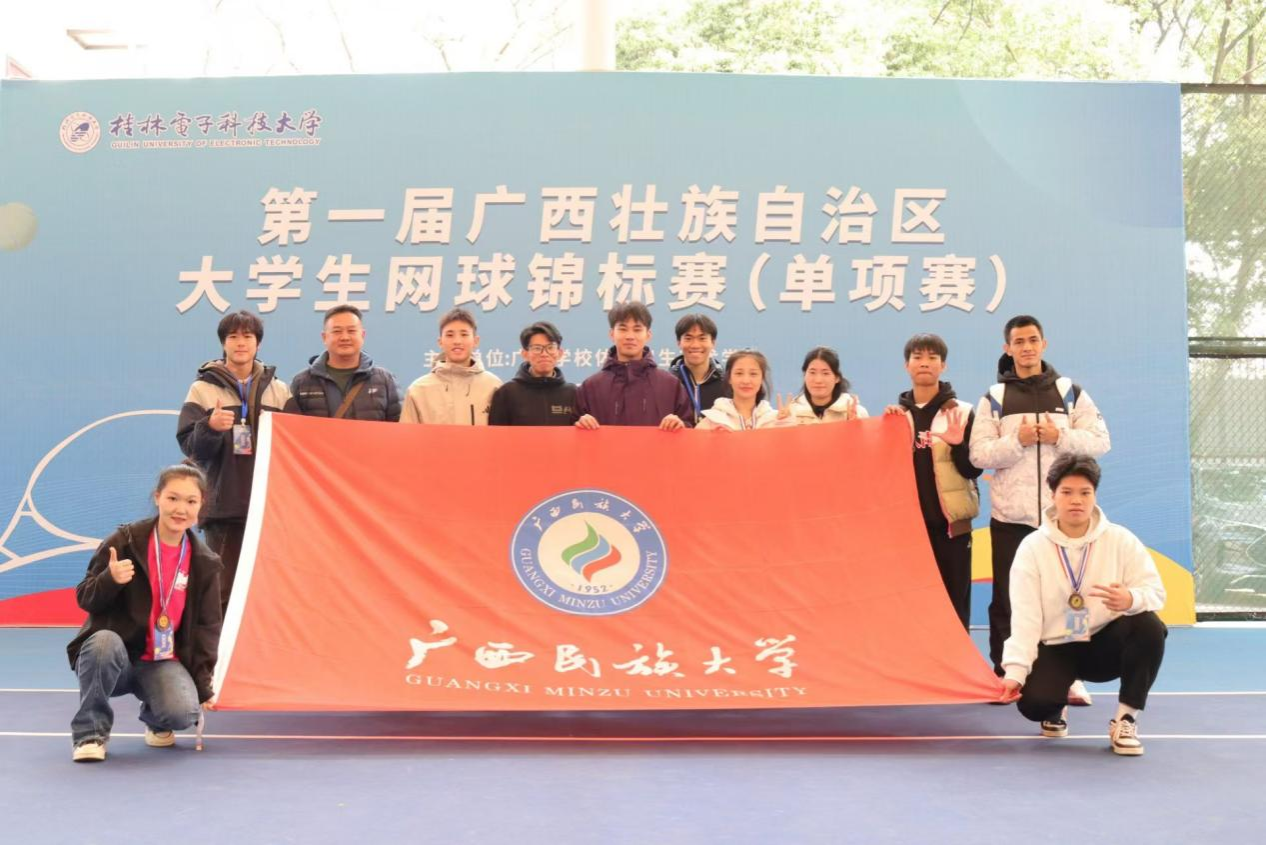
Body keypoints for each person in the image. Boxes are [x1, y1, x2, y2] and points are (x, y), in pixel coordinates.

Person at [970, 315, 1110, 707]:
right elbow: (978, 454)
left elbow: (1100, 442)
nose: (1027, 347)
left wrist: (1058, 436)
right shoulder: (994, 398)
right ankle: (1006, 675)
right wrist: (1016, 440)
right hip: (1010, 518)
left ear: (1043, 344)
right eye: (1019, 341)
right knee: (1007, 599)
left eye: (1033, 340)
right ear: (1007, 348)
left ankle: (1071, 676)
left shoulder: (1070, 393)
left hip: (1063, 521)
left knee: (1069, 596)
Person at [999, 456, 1166, 756]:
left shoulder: (1121, 539)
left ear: (1095, 496)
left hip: (1103, 646)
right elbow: (1025, 618)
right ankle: (1056, 702)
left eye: (1085, 492)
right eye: (1067, 492)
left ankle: (1125, 719)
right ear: (1053, 496)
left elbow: (1155, 593)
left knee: (1149, 626)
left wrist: (1131, 599)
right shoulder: (1032, 547)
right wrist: (1015, 672)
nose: (1076, 500)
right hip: (1055, 646)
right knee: (1034, 705)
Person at [66, 464, 223, 763]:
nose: (181, 509)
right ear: (157, 497)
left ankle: (156, 717)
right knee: (103, 642)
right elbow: (85, 597)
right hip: (116, 657)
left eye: (191, 501)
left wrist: (203, 685)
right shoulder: (124, 541)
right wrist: (110, 580)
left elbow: (208, 627)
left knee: (182, 713)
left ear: (201, 504)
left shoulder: (206, 562)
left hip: (161, 661)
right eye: (173, 498)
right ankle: (90, 734)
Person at [176, 310, 290, 615]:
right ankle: (216, 647)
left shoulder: (279, 390)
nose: (241, 343)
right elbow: (191, 447)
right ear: (223, 343)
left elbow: (294, 447)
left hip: (269, 507)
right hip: (223, 506)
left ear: (258, 343)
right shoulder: (202, 389)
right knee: (220, 590)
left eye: (248, 336)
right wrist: (210, 427)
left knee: (267, 590)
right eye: (233, 336)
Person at [883, 333, 982, 629]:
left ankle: (958, 660)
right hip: (910, 531)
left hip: (952, 529)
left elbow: (972, 470)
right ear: (907, 365)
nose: (924, 363)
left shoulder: (961, 412)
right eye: (917, 357)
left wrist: (957, 445)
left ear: (943, 365)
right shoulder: (895, 417)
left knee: (955, 605)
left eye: (932, 357)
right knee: (913, 607)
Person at [574, 302, 693, 430]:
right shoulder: (590, 387)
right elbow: (572, 431)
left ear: (648, 335)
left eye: (637, 330)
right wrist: (580, 424)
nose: (630, 336)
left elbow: (689, 428)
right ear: (612, 334)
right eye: (623, 329)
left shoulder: (671, 385)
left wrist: (680, 425)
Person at [284, 304, 402, 421]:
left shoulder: (385, 380)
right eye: (337, 331)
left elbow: (398, 426)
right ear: (324, 337)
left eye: (351, 331)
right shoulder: (302, 382)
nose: (345, 337)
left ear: (362, 335)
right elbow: (289, 427)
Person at [401, 308, 502, 425]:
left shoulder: (493, 386)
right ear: (440, 342)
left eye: (464, 334)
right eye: (450, 335)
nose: (457, 341)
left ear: (476, 341)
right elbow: (407, 435)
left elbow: (504, 433)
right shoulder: (418, 390)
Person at [488, 320, 579, 426]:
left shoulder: (573, 393)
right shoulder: (507, 393)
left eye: (550, 348)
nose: (544, 354)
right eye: (537, 348)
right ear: (525, 354)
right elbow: (496, 434)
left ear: (560, 353)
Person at [695, 350, 784, 430]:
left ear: (762, 379)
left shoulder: (775, 421)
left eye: (753, 374)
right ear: (729, 378)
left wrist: (787, 424)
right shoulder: (712, 421)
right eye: (739, 373)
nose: (746, 381)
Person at [668, 313, 728, 426]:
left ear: (713, 342)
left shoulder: (727, 383)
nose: (695, 345)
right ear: (679, 342)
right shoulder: (668, 383)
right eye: (688, 338)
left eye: (702, 338)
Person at [785, 346, 868, 423]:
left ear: (837, 378)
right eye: (812, 372)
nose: (818, 380)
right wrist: (782, 425)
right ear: (804, 375)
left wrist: (855, 427)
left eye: (825, 373)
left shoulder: (857, 413)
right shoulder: (790, 413)